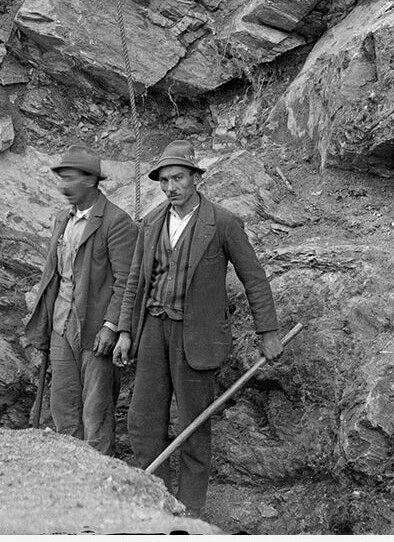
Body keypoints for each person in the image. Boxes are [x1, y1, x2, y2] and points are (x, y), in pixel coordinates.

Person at [114, 140, 284, 513]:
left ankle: (189, 512)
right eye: (164, 180)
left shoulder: (222, 222)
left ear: (195, 178)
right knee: (143, 420)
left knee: (193, 426)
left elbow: (253, 277)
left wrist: (267, 332)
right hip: (153, 331)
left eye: (177, 178)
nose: (170, 187)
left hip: (197, 337)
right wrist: (125, 331)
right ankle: (153, 503)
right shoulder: (151, 223)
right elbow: (134, 282)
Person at [23, 147, 135, 454]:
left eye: (70, 179)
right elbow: (54, 276)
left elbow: (127, 281)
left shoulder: (116, 222)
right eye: (61, 178)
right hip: (61, 325)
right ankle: (71, 478)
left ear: (90, 181)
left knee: (96, 411)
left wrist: (112, 326)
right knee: (63, 404)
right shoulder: (63, 219)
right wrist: (45, 325)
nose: (63, 186)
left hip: (95, 330)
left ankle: (101, 481)